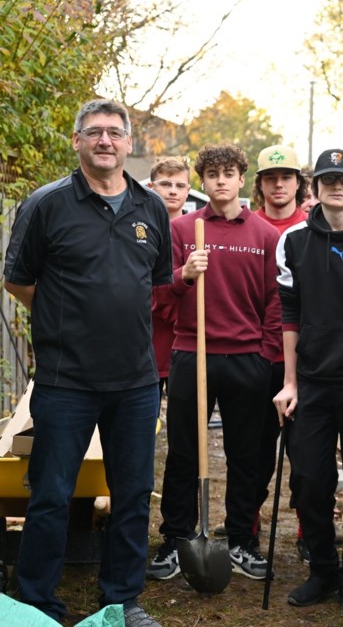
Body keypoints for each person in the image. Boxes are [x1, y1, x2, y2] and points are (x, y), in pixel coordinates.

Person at [3, 99, 172, 627]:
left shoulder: (151, 208)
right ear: (77, 141)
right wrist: (61, 322)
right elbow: (17, 278)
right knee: (51, 495)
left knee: (133, 494)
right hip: (65, 380)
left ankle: (121, 600)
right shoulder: (47, 204)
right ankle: (36, 601)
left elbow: (156, 282)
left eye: (114, 133)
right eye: (94, 132)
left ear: (128, 144)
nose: (105, 141)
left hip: (136, 382)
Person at [148, 143, 281, 582]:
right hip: (193, 354)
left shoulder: (265, 235)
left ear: (241, 179)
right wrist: (185, 277)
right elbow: (159, 296)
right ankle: (177, 539)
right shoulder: (182, 231)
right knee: (185, 452)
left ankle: (241, 539)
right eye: (211, 174)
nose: (220, 181)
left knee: (246, 455)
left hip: (247, 359)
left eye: (228, 173)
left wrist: (264, 354)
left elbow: (275, 302)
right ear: (201, 182)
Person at [273, 149, 343, 620]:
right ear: (312, 186)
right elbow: (290, 315)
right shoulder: (293, 241)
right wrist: (289, 382)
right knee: (310, 481)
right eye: (327, 179)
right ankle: (322, 569)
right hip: (313, 383)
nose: (336, 186)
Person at [250, 144, 308, 552]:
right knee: (254, 452)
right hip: (258, 356)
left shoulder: (312, 226)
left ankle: (309, 532)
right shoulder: (248, 228)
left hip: (305, 361)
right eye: (270, 178)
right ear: (259, 185)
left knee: (306, 456)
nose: (278, 185)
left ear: (298, 183)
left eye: (286, 177)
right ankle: (246, 528)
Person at [148, 157, 192, 404]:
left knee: (184, 421)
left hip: (185, 340)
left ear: (188, 190)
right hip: (149, 341)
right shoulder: (139, 228)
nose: (173, 190)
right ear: (152, 188)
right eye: (166, 184)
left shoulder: (198, 230)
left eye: (180, 185)